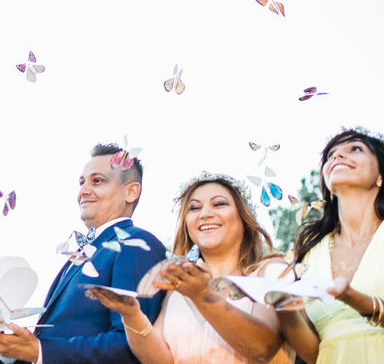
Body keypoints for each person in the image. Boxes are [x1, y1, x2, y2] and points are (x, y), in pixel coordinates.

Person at [89, 171, 295, 364]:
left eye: (219, 204)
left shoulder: (271, 271)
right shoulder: (178, 286)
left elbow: (262, 348)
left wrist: (203, 295)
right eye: (194, 208)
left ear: (243, 216)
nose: (205, 214)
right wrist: (131, 315)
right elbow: (160, 360)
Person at [0, 143, 166, 364]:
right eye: (82, 182)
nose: (83, 191)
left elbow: (132, 345)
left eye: (97, 181)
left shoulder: (136, 244)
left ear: (131, 192)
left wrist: (40, 351)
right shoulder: (82, 253)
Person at [277, 127, 384, 364]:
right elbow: (314, 353)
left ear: (381, 175)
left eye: (355, 149)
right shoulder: (310, 253)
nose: (337, 156)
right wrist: (282, 306)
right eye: (331, 155)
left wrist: (355, 299)